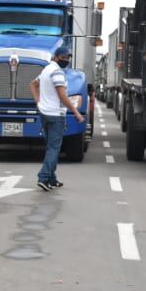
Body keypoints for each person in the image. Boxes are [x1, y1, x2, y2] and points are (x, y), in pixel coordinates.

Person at [28, 44, 84, 192]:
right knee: (54, 148)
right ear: (57, 57)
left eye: (68, 58)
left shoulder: (46, 70)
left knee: (50, 147)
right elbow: (62, 95)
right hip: (56, 115)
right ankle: (43, 177)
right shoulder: (58, 73)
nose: (66, 60)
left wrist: (38, 101)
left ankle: (52, 179)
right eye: (64, 57)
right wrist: (75, 112)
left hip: (44, 113)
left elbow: (33, 84)